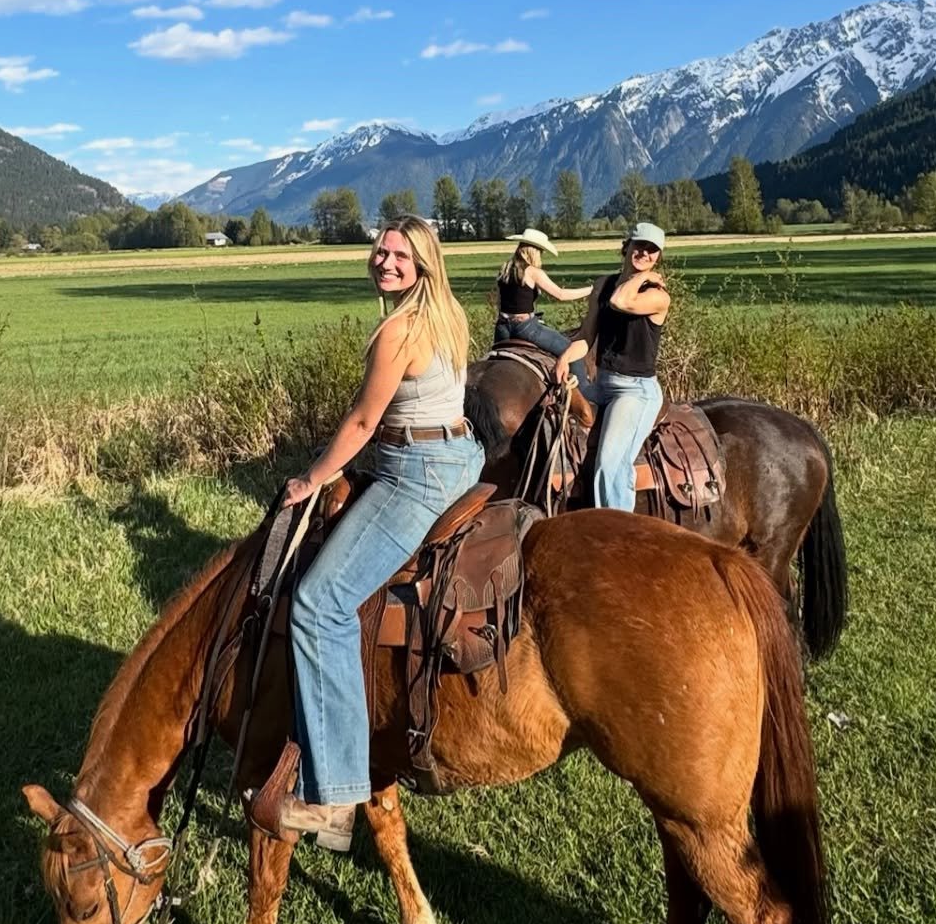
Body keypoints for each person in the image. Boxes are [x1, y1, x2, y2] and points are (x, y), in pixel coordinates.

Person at [259, 215, 485, 852]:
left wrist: (311, 477)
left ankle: (333, 796)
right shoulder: (447, 314)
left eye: (400, 255)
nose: (385, 262)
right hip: (458, 453)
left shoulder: (397, 330)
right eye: (381, 251)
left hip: (417, 474)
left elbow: (362, 421)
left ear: (423, 265)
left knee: (318, 603)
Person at [552, 222, 671, 511]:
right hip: (601, 385)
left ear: (658, 258)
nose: (644, 253)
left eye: (652, 251)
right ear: (627, 245)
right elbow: (586, 337)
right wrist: (565, 359)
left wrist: (645, 276)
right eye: (639, 245)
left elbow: (621, 301)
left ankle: (618, 528)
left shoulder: (657, 296)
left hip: (635, 391)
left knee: (610, 463)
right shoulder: (603, 284)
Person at [492, 227, 593, 358]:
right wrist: (591, 290)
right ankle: (581, 379)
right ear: (534, 252)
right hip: (524, 327)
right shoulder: (533, 272)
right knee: (570, 351)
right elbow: (561, 295)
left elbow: (498, 301)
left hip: (502, 328)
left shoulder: (505, 269)